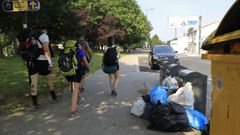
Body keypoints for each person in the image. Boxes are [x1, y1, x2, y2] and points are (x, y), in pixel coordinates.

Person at [27, 25, 58, 111]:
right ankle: (54, 97)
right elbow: (46, 50)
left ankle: (34, 104)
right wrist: (50, 62)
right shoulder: (44, 36)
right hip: (43, 61)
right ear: (45, 29)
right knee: (48, 79)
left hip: (32, 61)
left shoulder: (30, 36)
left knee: (34, 82)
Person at [64, 40, 89, 118]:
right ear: (79, 45)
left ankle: (78, 97)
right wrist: (88, 68)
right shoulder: (80, 51)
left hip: (67, 71)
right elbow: (85, 61)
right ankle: (73, 111)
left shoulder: (66, 51)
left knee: (74, 86)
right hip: (76, 72)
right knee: (75, 90)